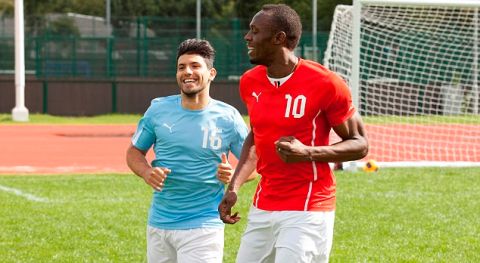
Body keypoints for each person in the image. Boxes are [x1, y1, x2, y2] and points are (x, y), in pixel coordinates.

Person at [218, 4, 369, 263]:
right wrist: (234, 187)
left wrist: (308, 152)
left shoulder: (326, 83)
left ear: (279, 38)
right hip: (263, 204)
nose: (247, 37)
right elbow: (257, 136)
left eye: (255, 31)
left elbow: (360, 144)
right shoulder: (250, 82)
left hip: (308, 206)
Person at [126, 38, 255, 263]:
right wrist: (147, 172)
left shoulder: (228, 117)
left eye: (195, 66)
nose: (188, 72)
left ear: (211, 73)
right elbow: (134, 152)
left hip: (203, 225)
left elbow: (253, 165)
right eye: (181, 67)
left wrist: (232, 174)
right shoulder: (158, 110)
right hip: (159, 222)